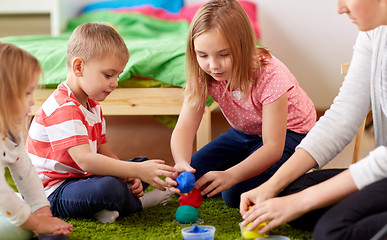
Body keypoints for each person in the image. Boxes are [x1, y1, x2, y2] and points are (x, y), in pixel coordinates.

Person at [240, 0, 387, 239]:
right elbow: (343, 115)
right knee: (288, 192)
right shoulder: (373, 30)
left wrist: (301, 203)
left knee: (331, 232)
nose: (340, 9)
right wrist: (271, 186)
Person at [167, 0, 316, 208]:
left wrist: (231, 175)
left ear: (244, 46)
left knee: (234, 193)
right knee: (192, 177)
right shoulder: (203, 73)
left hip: (292, 134)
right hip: (246, 132)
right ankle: (250, 163)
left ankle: (297, 172)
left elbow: (273, 147)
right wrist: (182, 163)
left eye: (224, 54)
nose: (213, 65)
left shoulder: (270, 74)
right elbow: (184, 127)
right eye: (203, 55)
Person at [26, 23, 177, 224]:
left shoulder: (93, 106)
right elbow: (86, 161)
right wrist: (135, 173)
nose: (115, 83)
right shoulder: (63, 107)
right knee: (109, 187)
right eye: (108, 75)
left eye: (118, 75)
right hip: (51, 191)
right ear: (79, 67)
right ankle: (138, 204)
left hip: (80, 178)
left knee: (141, 163)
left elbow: (105, 154)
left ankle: (102, 208)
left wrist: (131, 174)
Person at [0, 42, 73, 237]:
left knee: (21, 212)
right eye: (26, 93)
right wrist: (36, 224)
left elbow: (25, 172)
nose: (33, 101)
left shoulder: (10, 132)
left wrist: (43, 213)